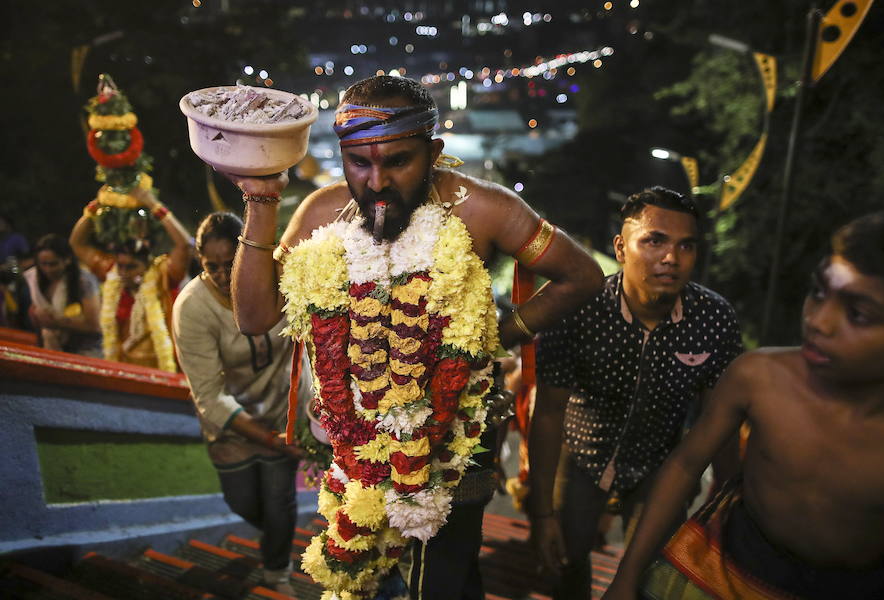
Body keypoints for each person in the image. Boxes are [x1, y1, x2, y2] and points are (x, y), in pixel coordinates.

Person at [224, 75, 605, 600]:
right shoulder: (321, 212)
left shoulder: (483, 209)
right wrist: (261, 201)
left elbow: (581, 276)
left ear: (434, 152)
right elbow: (253, 316)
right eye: (359, 162)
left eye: (398, 161)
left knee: (438, 583)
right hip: (355, 440)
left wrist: (498, 335)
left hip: (454, 446)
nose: (377, 181)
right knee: (369, 576)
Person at [607, 208, 884, 599]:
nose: (819, 321)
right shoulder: (759, 378)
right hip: (720, 573)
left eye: (858, 314)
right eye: (818, 292)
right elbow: (685, 464)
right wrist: (627, 577)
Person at [529, 187, 744, 600]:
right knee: (564, 565)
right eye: (654, 241)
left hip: (660, 465)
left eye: (686, 246)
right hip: (582, 455)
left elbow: (720, 420)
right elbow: (549, 411)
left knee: (652, 578)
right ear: (620, 248)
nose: (671, 257)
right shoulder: (579, 308)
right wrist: (541, 515)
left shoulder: (714, 319)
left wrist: (726, 504)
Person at [172, 212, 322, 598]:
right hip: (233, 423)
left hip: (283, 410)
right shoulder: (192, 307)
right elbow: (208, 396)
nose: (224, 276)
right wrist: (269, 440)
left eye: (232, 263)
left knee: (278, 499)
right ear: (200, 261)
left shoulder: (282, 281)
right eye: (213, 266)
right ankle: (275, 539)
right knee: (241, 502)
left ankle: (277, 573)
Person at [69, 186, 193, 371]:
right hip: (121, 369)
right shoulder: (112, 274)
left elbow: (185, 245)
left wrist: (154, 205)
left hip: (162, 370)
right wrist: (98, 204)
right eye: (121, 266)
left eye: (131, 267)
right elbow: (76, 243)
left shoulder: (162, 275)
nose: (123, 272)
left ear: (147, 264)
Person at [22, 234, 102, 356]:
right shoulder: (34, 277)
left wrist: (56, 322)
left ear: (67, 260)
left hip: (86, 350)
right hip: (50, 344)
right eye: (43, 264)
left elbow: (95, 326)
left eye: (53, 264)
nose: (48, 269)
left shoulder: (84, 281)